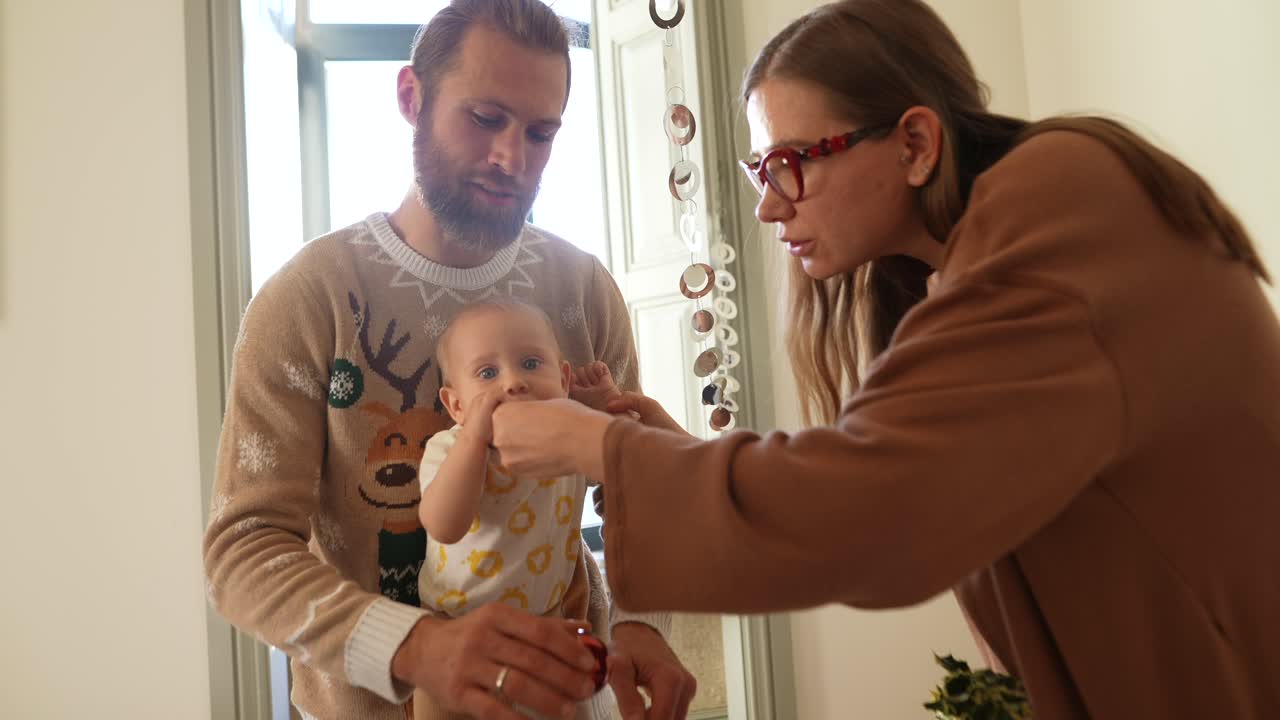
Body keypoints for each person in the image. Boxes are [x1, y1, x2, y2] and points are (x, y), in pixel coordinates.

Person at [487, 0, 1280, 717]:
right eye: (762, 170)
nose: (769, 202)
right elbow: (887, 481)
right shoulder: (979, 257)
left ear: (914, 142)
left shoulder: (1063, 215)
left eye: (791, 160)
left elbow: (873, 508)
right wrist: (656, 457)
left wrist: (592, 445)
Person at [203, 1, 695, 719]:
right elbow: (241, 552)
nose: (513, 158)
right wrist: (420, 648)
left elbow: (626, 494)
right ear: (412, 98)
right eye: (485, 119)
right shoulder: (309, 299)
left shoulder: (583, 290)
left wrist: (645, 623)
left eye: (541, 132)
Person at [412, 300, 622, 720]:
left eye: (530, 363)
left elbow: (628, 472)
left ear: (563, 379)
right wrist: (474, 440)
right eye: (487, 373)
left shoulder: (572, 435)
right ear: (455, 405)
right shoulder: (449, 449)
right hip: (456, 631)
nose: (513, 382)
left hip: (547, 621)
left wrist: (604, 408)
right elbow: (443, 525)